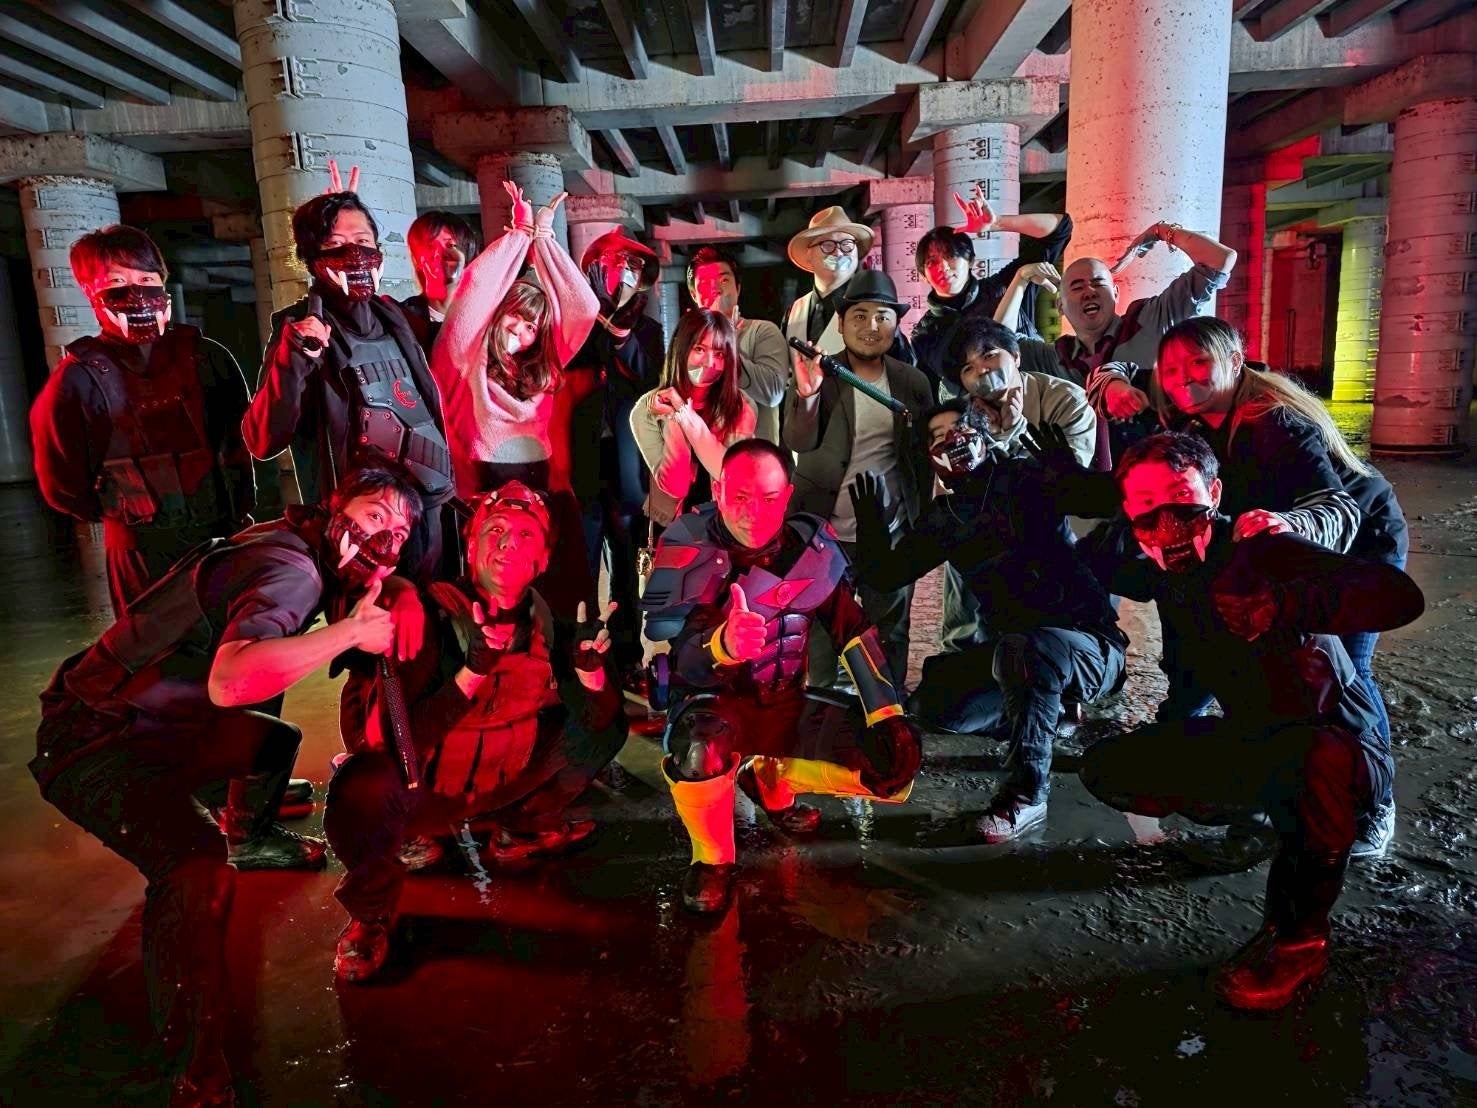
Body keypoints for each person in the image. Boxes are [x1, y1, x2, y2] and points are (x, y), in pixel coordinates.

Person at [29, 466, 418, 1104]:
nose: (386, 538)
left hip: (140, 714)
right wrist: (350, 633)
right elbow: (231, 681)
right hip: (93, 741)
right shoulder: (295, 571)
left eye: (400, 532)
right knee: (193, 868)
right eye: (375, 515)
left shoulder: (294, 539)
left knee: (273, 742)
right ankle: (194, 1074)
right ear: (337, 507)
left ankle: (251, 836)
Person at [1078, 432, 1423, 1010]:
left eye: (1181, 501)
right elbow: (1085, 562)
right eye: (1147, 509)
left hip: (1340, 750)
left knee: (1312, 763)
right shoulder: (1154, 565)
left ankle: (1301, 941)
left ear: (1214, 494)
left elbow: (1398, 595)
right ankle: (1267, 817)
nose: (1168, 525)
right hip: (1258, 737)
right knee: (1115, 768)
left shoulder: (1261, 550)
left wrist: (1285, 604)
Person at [325, 482, 627, 982]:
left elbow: (596, 726)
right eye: (496, 530)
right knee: (362, 786)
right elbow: (391, 745)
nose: (509, 543)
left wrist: (591, 676)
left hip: (494, 780)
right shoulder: (427, 616)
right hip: (423, 793)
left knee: (606, 717)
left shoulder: (548, 623)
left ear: (542, 560)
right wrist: (471, 672)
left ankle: (522, 827)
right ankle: (371, 913)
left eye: (526, 535)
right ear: (470, 547)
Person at [1146, 317, 1409, 856]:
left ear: (1233, 362)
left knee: (1346, 675)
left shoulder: (1273, 420)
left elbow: (1335, 506)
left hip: (1357, 545)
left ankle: (1375, 805)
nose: (1183, 378)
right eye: (1170, 369)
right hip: (1280, 551)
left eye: (1198, 363)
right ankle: (1273, 794)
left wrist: (1290, 522)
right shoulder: (1195, 423)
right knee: (1269, 666)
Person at [641, 439, 921, 913]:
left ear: (788, 496)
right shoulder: (690, 548)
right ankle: (711, 859)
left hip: (786, 703)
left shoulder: (811, 549)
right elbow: (681, 660)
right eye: (740, 497)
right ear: (717, 490)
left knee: (894, 761)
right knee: (700, 746)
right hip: (716, 709)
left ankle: (771, 780)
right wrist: (722, 645)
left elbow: (854, 630)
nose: (753, 513)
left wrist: (887, 712)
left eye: (769, 498)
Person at [850, 401, 1126, 843]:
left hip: (1089, 645)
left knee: (1029, 650)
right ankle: (1047, 712)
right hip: (1015, 653)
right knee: (935, 705)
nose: (952, 441)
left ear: (982, 434)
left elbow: (1106, 502)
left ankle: (1026, 793)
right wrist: (872, 530)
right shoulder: (947, 518)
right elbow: (886, 575)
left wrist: (1072, 474)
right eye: (937, 437)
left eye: (959, 428)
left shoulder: (1025, 478)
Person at [31, 225, 256, 614]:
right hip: (140, 551)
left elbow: (241, 444)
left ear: (162, 283)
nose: (136, 292)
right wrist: (124, 512)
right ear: (90, 291)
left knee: (238, 638)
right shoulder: (78, 379)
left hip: (222, 536)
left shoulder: (207, 357)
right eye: (117, 281)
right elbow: (61, 484)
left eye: (146, 279)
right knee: (153, 645)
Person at [243, 186, 454, 580]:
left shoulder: (393, 316)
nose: (354, 254)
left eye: (363, 242)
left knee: (431, 608)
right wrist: (296, 358)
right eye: (335, 245)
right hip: (361, 531)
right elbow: (263, 440)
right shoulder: (300, 329)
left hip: (425, 506)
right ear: (312, 259)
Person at [430, 183, 598, 616]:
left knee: (561, 598)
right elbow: (473, 295)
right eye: (516, 318)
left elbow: (584, 308)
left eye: (531, 329)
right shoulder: (465, 360)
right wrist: (518, 236)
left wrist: (545, 239)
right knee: (498, 600)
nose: (521, 334)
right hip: (484, 490)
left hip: (543, 489)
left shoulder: (543, 367)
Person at [783, 270, 933, 684]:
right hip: (824, 531)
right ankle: (822, 708)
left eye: (883, 316)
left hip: (889, 531)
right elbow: (797, 440)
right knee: (819, 632)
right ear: (841, 322)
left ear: (896, 323)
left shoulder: (913, 382)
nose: (871, 326)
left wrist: (919, 524)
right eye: (860, 315)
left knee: (890, 631)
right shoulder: (821, 375)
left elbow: (921, 461)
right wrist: (808, 395)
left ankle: (889, 709)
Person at [932, 317, 1099, 655]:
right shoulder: (962, 416)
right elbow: (953, 492)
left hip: (1055, 528)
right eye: (968, 367)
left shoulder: (1066, 400)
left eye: (989, 355)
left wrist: (1013, 432)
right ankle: (959, 652)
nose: (981, 371)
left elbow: (1065, 485)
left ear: (1017, 356)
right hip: (989, 530)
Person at [565, 228, 665, 679]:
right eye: (615, 261)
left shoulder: (648, 330)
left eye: (635, 265)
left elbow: (650, 381)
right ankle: (581, 652)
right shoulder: (575, 321)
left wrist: (622, 336)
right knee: (581, 566)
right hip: (581, 463)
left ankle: (626, 657)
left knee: (626, 567)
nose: (625, 272)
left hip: (628, 468)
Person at [1057, 220, 1237, 466]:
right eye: (1077, 287)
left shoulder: (1151, 318)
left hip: (1168, 468)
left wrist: (1161, 232)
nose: (1089, 291)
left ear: (1116, 293)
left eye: (1098, 283)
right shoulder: (1057, 355)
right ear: (1060, 305)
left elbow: (1219, 259)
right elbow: (1005, 347)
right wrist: (1021, 280)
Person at [909, 188, 1073, 397]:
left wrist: (997, 223)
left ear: (970, 260)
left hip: (1042, 397)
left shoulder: (1005, 285)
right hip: (985, 414)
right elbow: (932, 394)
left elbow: (1060, 228)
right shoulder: (925, 334)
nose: (943, 266)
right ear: (923, 276)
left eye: (951, 255)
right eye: (932, 262)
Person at [631, 309, 755, 528]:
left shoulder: (740, 406)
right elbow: (675, 486)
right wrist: (672, 419)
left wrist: (683, 413)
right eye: (699, 349)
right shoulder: (646, 410)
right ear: (681, 348)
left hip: (726, 524)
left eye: (719, 354)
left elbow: (728, 473)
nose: (709, 362)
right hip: (673, 526)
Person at [783, 206, 913, 364]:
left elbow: (903, 367)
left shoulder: (874, 307)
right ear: (808, 254)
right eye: (827, 245)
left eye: (846, 244)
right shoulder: (794, 311)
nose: (838, 253)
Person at [687, 245, 789, 442]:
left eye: (724, 280)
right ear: (693, 295)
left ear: (738, 288)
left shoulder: (762, 331)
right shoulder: (687, 343)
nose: (716, 289)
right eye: (705, 282)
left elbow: (773, 393)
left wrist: (727, 348)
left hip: (754, 455)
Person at [401, 209, 480, 354]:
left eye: (450, 246)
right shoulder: (402, 318)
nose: (438, 254)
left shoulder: (482, 317)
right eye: (430, 246)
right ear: (417, 260)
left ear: (466, 255)